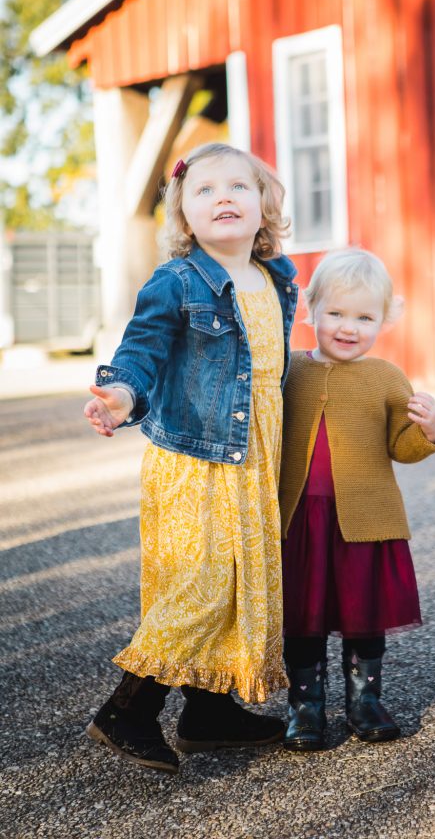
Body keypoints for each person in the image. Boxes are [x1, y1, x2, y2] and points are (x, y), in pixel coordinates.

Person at [83, 142, 298, 774]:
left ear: (265, 206)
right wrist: (121, 392)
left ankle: (209, 712)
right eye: (204, 191)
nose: (223, 197)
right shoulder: (177, 281)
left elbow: (273, 364)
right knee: (200, 585)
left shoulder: (276, 278)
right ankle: (127, 711)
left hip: (257, 453)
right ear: (184, 215)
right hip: (199, 460)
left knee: (239, 581)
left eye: (238, 186)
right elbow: (141, 349)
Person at [279, 248, 435, 751]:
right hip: (299, 520)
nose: (348, 327)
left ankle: (365, 700)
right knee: (301, 617)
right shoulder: (288, 373)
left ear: (384, 320)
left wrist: (433, 428)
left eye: (364, 317)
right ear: (310, 309)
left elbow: (403, 446)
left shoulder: (386, 378)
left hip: (365, 520)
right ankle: (305, 707)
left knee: (363, 613)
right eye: (335, 313)